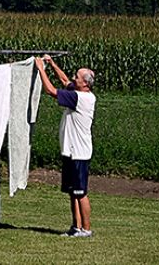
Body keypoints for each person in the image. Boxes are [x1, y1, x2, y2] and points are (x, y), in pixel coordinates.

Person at [36, 54, 96, 238]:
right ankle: (76, 226)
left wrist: (40, 68)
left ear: (85, 83)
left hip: (79, 153)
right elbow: (63, 80)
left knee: (81, 192)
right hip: (70, 152)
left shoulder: (81, 98)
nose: (74, 78)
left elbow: (51, 91)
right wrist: (52, 64)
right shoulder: (77, 93)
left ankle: (86, 229)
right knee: (72, 192)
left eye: (77, 77)